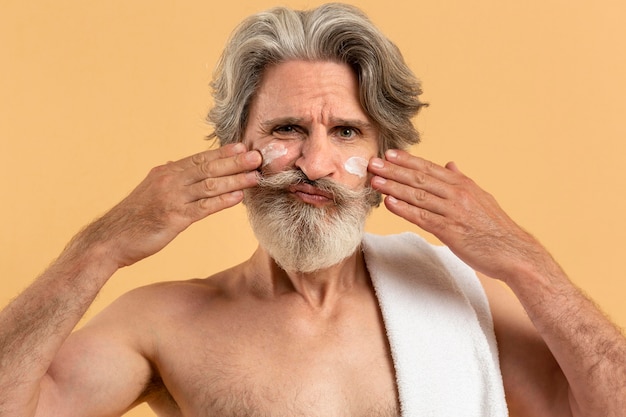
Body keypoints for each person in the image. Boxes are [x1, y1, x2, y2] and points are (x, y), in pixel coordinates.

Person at [1, 3, 625, 416]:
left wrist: (524, 261)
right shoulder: (165, 322)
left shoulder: (461, 301)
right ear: (237, 146)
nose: (316, 163)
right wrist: (100, 246)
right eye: (287, 129)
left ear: (389, 155)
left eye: (348, 133)